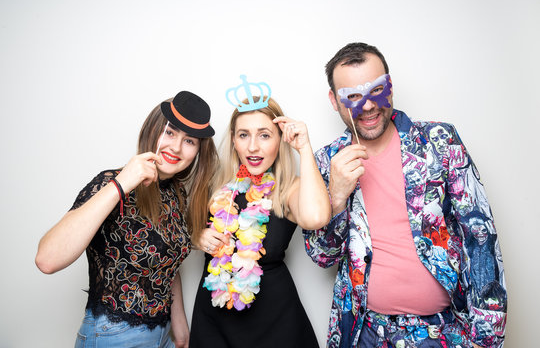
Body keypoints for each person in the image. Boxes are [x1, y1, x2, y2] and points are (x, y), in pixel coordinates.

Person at [303, 43, 506, 348]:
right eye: (353, 96)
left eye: (376, 91)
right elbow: (323, 256)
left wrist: (486, 338)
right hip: (365, 332)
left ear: (390, 86)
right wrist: (337, 197)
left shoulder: (440, 141)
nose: (368, 106)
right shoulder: (325, 162)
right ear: (334, 100)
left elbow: (480, 237)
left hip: (445, 331)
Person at [35, 91, 218, 348]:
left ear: (198, 151)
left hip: (162, 335)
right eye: (170, 132)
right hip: (113, 336)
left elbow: (166, 265)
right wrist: (120, 184)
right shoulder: (110, 182)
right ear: (153, 129)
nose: (176, 147)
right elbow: (47, 260)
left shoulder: (177, 192)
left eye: (189, 141)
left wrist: (181, 332)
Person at [189, 88, 331, 347]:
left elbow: (316, 217)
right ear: (233, 139)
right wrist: (198, 236)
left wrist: (304, 148)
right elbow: (181, 231)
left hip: (275, 324)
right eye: (244, 135)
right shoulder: (215, 186)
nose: (253, 146)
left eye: (264, 135)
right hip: (214, 322)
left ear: (281, 139)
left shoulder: (290, 187)